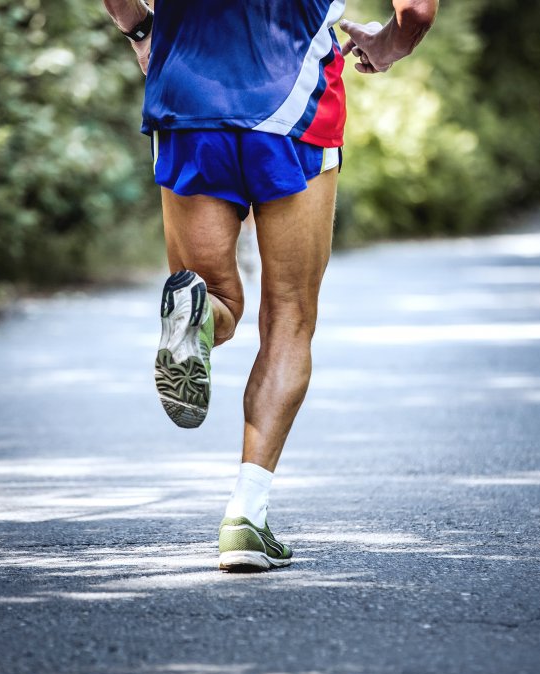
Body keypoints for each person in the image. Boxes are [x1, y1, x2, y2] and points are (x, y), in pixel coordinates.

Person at [102, 0, 438, 571]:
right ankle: (245, 518)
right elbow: (418, 10)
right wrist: (388, 45)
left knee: (212, 292)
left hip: (188, 95)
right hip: (296, 105)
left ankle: (201, 315)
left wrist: (140, 28)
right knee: (289, 317)